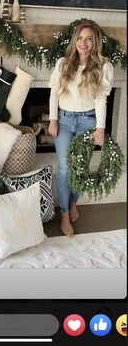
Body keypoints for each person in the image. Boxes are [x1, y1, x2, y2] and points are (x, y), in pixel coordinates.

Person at [48, 21, 114, 237]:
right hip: (65, 121)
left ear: (95, 42)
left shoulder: (103, 66)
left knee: (80, 169)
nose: (83, 43)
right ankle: (65, 214)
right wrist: (53, 119)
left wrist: (100, 128)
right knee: (65, 169)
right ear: (74, 40)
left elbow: (101, 100)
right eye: (80, 38)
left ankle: (73, 201)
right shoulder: (63, 64)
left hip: (87, 122)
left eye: (88, 39)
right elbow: (54, 94)